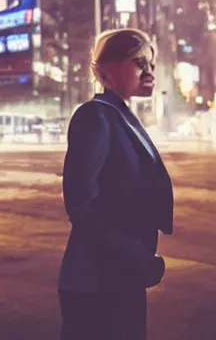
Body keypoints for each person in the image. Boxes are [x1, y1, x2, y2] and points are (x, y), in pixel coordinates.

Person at [58, 28, 174, 340]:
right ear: (108, 68)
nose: (148, 71)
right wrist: (135, 255)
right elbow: (81, 205)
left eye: (150, 63)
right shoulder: (94, 116)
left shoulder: (120, 116)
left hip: (121, 278)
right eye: (138, 62)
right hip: (96, 282)